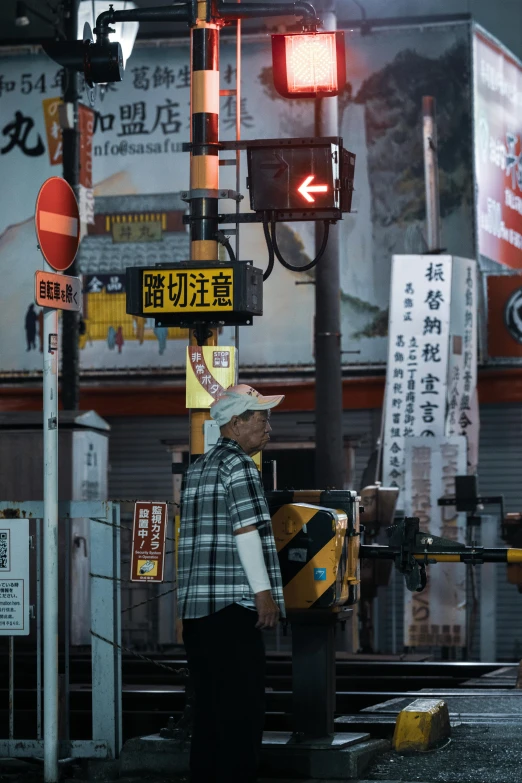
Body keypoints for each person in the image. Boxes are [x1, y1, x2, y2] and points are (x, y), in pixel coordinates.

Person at [178, 384, 286, 783]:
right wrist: (263, 594)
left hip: (198, 612)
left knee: (209, 713)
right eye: (261, 418)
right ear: (237, 423)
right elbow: (246, 531)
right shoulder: (239, 466)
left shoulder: (199, 467)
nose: (268, 427)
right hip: (232, 609)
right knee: (241, 714)